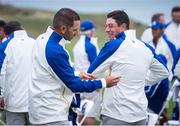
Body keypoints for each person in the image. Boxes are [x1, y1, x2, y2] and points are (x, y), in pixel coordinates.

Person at [28, 8, 120, 125]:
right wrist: (103, 82)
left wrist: (77, 74)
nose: (76, 33)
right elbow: (74, 85)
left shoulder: (41, 38)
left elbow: (49, 70)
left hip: (39, 107)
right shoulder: (55, 50)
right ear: (62, 29)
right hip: (51, 113)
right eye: (74, 30)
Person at [87, 10, 169, 125]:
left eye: (110, 26)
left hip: (115, 115)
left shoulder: (113, 45)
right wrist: (140, 80)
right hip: (140, 115)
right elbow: (164, 72)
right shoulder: (145, 47)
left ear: (123, 26)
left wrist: (109, 78)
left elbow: (91, 73)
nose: (106, 29)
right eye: (106, 26)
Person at [0, 21, 35, 125]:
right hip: (34, 101)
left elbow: (2, 73)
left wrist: (2, 95)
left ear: (7, 34)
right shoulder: (35, 42)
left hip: (13, 102)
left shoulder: (6, 45)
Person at [73, 20, 100, 125]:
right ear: (90, 32)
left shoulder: (77, 45)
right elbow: (95, 66)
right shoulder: (90, 46)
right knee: (90, 113)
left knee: (80, 112)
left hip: (80, 81)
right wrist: (97, 82)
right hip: (89, 82)